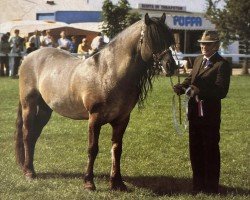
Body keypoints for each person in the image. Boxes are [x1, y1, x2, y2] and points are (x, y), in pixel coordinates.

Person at [173, 30, 231, 194]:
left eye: (207, 44)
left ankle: (211, 187)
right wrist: (182, 87)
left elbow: (221, 91)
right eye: (202, 44)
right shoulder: (198, 60)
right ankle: (197, 185)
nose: (203, 46)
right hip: (194, 114)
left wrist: (200, 91)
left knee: (210, 150)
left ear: (216, 46)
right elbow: (190, 79)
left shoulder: (222, 65)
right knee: (195, 150)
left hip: (210, 115)